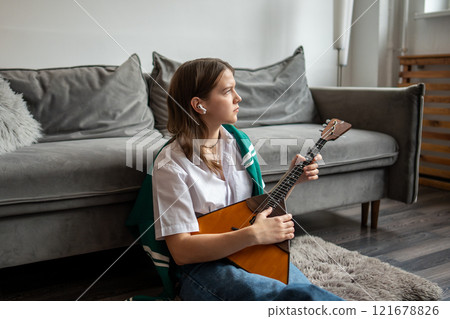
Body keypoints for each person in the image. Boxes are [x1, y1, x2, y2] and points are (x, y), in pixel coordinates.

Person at [129, 58, 343, 301]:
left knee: (306, 293)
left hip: (251, 251)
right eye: (227, 91)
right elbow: (181, 251)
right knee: (286, 298)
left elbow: (254, 212)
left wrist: (293, 179)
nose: (238, 98)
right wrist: (252, 235)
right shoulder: (171, 164)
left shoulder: (238, 143)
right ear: (199, 105)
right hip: (204, 267)